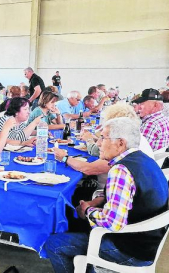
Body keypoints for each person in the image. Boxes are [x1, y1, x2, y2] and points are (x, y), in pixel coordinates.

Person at [45, 117, 168, 273]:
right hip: (150, 240)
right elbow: (130, 195)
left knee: (54, 244)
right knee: (75, 224)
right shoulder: (143, 159)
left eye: (103, 138)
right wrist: (97, 202)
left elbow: (112, 223)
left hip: (132, 249)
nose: (98, 143)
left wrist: (87, 212)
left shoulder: (121, 170)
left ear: (121, 143)